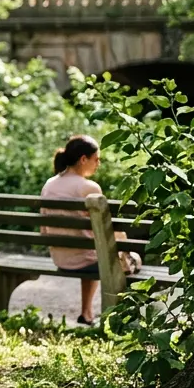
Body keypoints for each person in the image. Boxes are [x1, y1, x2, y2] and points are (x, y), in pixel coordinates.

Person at [41, 135, 141, 326]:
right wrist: (125, 250)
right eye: (96, 159)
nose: (99, 164)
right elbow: (108, 228)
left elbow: (44, 227)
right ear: (83, 159)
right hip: (85, 260)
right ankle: (123, 320)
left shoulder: (49, 184)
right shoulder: (89, 187)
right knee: (133, 260)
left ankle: (86, 314)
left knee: (94, 252)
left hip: (60, 258)